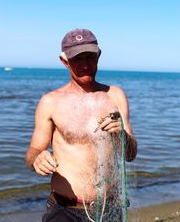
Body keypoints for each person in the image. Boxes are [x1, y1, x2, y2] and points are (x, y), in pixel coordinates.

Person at [25, 28, 137, 222]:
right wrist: (37, 159)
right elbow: (33, 152)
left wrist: (122, 136)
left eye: (90, 57)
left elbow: (130, 155)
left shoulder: (115, 95)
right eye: (78, 58)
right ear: (64, 61)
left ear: (99, 56)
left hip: (109, 208)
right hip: (65, 209)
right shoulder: (50, 102)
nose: (85, 64)